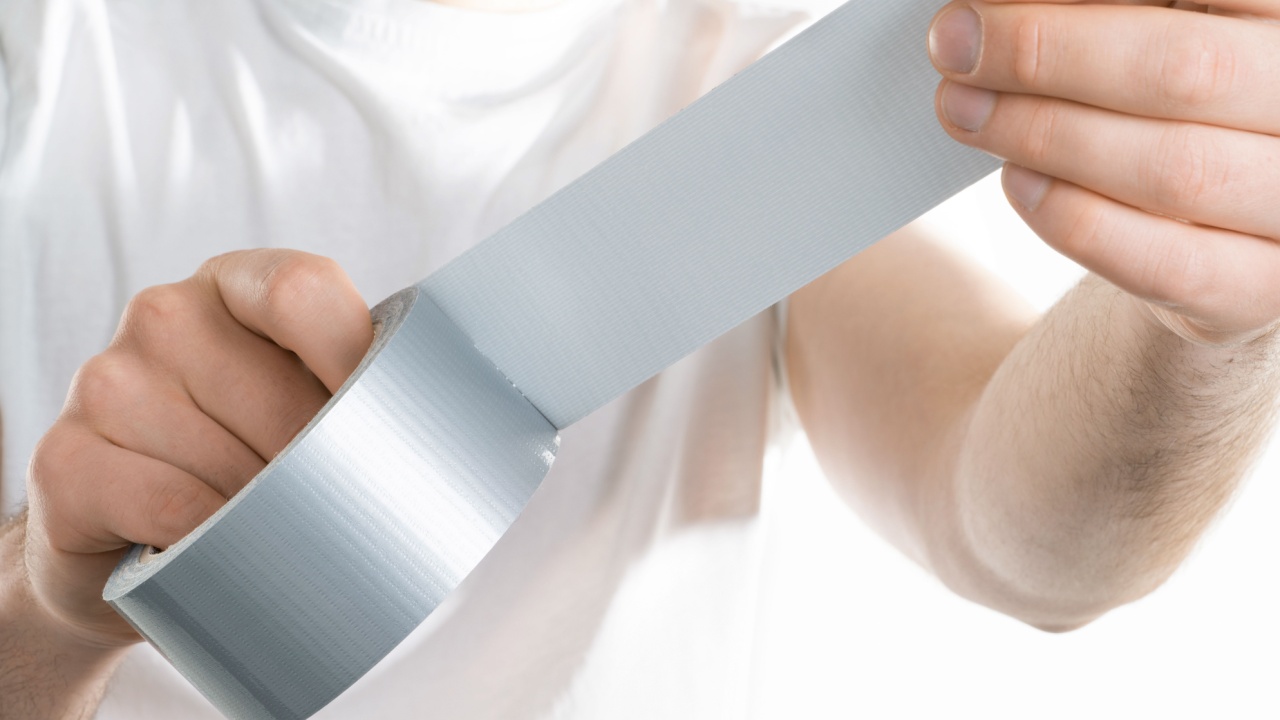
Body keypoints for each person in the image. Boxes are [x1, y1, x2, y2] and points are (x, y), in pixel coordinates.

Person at [2, 0, 1277, 717]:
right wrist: (48, 613)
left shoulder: (753, 77)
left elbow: (1021, 543)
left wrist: (1209, 328)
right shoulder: (38, 67)